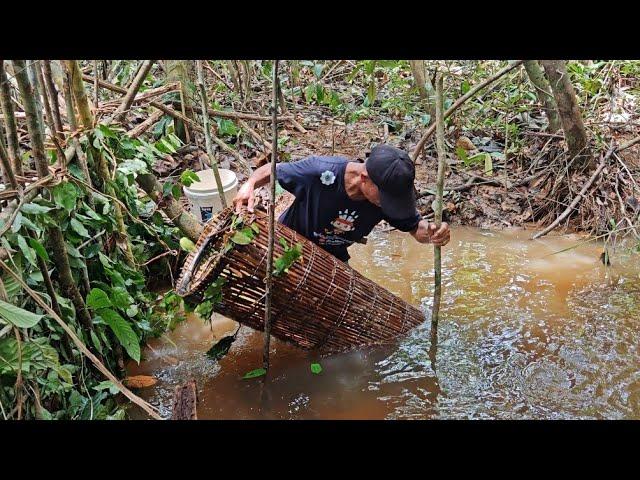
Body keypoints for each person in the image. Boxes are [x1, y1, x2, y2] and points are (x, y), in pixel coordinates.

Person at [232, 144, 450, 263]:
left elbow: (414, 228)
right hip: (288, 247)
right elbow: (274, 170)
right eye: (384, 198)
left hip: (333, 261)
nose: (386, 205)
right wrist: (249, 184)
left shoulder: (388, 200)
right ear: (364, 178)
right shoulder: (320, 172)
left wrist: (432, 233)